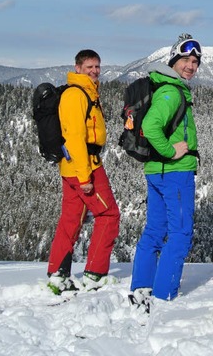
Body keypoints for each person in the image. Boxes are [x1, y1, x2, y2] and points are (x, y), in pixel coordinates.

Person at [129, 33, 201, 310]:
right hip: (175, 172)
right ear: (174, 60)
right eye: (186, 59)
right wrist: (172, 152)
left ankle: (141, 286)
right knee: (180, 232)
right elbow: (150, 125)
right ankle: (163, 294)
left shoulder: (164, 86)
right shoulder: (171, 91)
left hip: (156, 171)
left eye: (195, 61)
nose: (191, 66)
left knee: (156, 229)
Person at [46, 49, 121, 293]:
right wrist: (84, 176)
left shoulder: (87, 91)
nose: (94, 71)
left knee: (71, 219)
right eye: (89, 66)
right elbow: (75, 136)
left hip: (74, 167)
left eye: (97, 66)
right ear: (77, 68)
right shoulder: (76, 94)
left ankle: (58, 274)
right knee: (109, 215)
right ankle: (95, 274)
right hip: (84, 166)